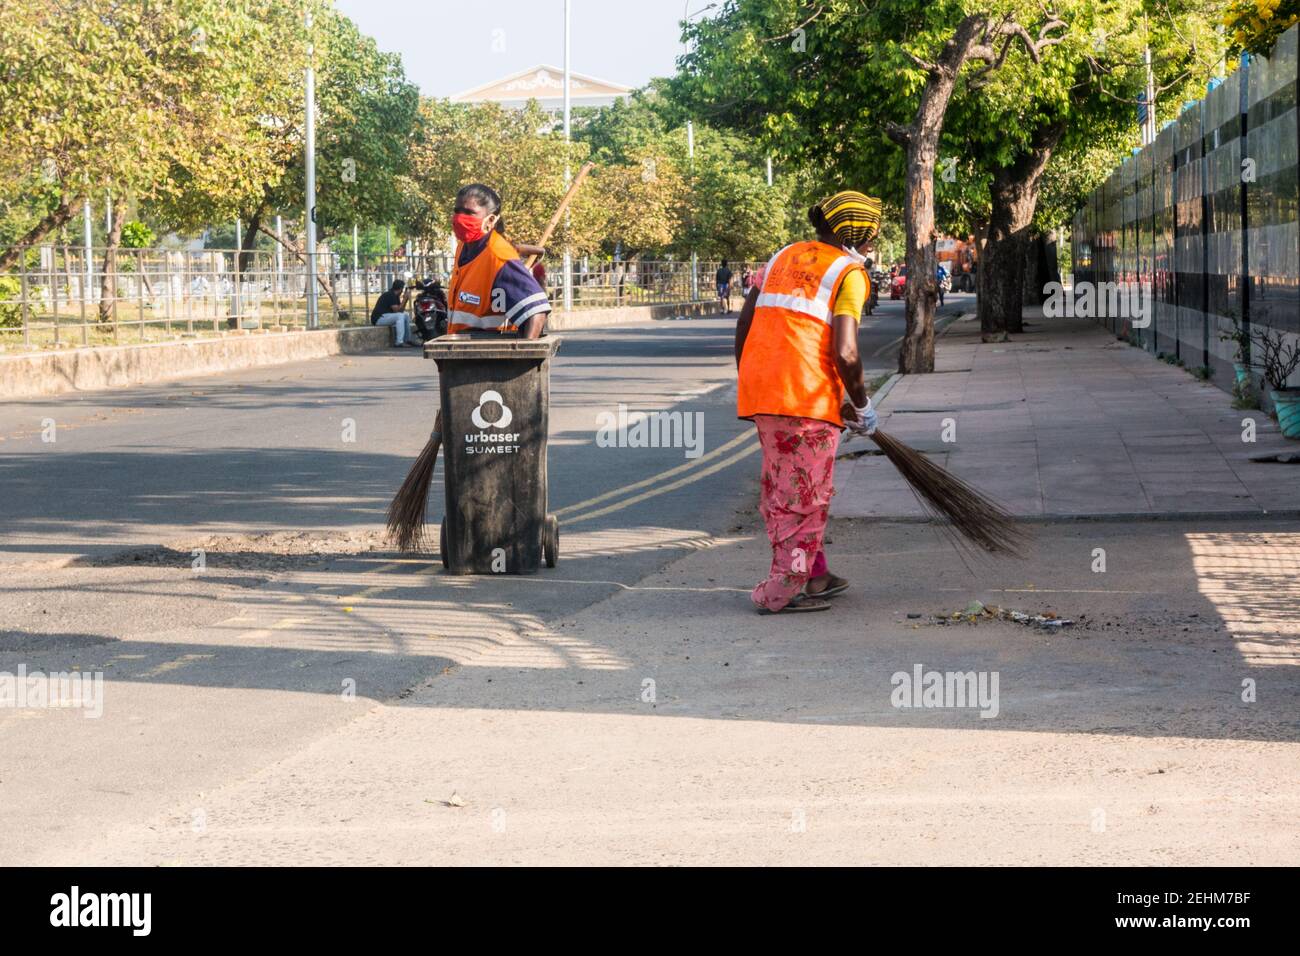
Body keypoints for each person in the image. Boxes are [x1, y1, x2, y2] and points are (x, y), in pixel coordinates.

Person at [734, 190, 882, 614]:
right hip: (805, 396)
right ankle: (784, 590)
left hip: (767, 392)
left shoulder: (782, 256)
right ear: (857, 233)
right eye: (872, 233)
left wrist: (751, 377)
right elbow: (847, 351)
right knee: (805, 499)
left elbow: (745, 322)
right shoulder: (848, 273)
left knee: (785, 488)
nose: (873, 241)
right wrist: (863, 404)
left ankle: (814, 575)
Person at [446, 184, 550, 338]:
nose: (460, 218)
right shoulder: (463, 246)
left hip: (491, 356)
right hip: (460, 354)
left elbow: (537, 310)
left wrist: (526, 355)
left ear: (491, 219)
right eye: (457, 211)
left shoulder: (499, 256)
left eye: (469, 213)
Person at [371, 279, 417, 347]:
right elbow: (397, 310)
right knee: (400, 316)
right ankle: (399, 342)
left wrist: (405, 300)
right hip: (379, 319)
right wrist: (404, 299)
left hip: (385, 316)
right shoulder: (390, 295)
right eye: (402, 289)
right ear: (401, 289)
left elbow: (400, 311)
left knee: (405, 315)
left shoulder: (395, 296)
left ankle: (407, 340)